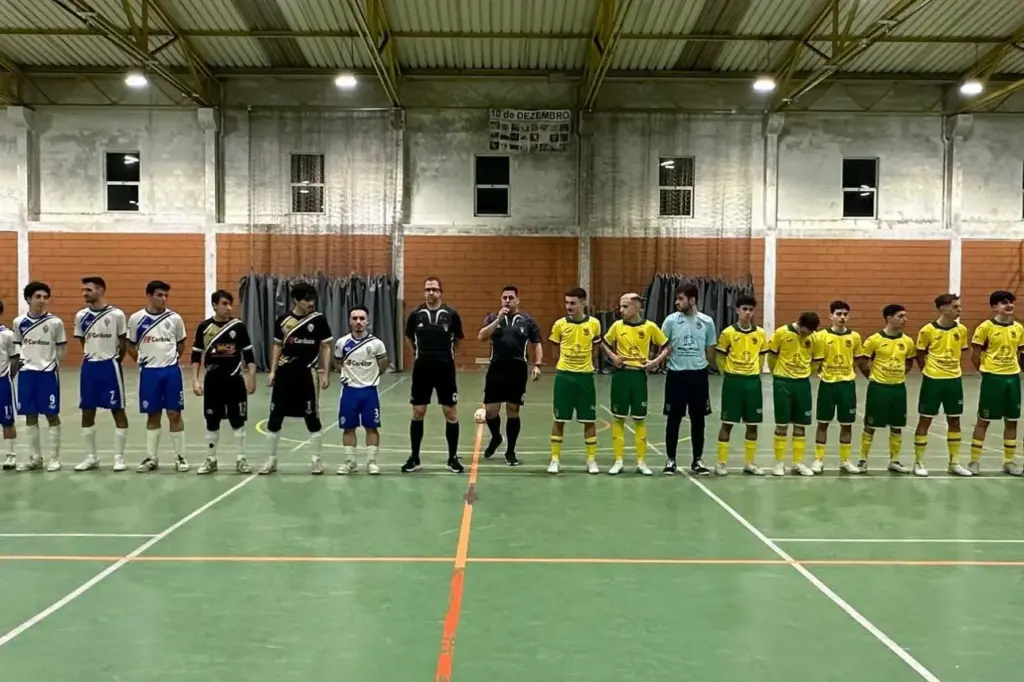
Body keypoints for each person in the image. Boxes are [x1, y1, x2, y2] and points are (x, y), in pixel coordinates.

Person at [259, 282, 333, 475]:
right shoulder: (283, 320)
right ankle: (271, 460)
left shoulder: (318, 320)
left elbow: (326, 346)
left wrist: (325, 372)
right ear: (296, 300)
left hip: (308, 375)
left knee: (312, 418)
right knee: (275, 417)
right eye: (307, 299)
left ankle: (316, 460)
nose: (311, 303)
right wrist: (273, 371)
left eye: (313, 299)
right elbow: (277, 346)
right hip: (284, 374)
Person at [601, 293, 669, 476]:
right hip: (621, 377)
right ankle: (618, 460)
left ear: (637, 307)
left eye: (625, 306)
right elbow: (603, 344)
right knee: (618, 418)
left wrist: (655, 362)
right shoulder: (617, 326)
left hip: (639, 377)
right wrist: (613, 357)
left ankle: (641, 461)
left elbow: (666, 346)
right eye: (620, 306)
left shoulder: (649, 327)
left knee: (639, 419)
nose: (621, 310)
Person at [403, 277, 465, 474]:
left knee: (450, 412)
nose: (431, 293)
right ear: (424, 292)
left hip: (445, 368)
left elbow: (458, 339)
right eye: (428, 289)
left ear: (441, 292)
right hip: (422, 368)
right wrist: (417, 353)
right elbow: (408, 337)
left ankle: (452, 458)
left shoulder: (451, 314)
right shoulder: (415, 315)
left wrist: (448, 355)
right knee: (418, 411)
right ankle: (414, 457)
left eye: (435, 289)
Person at [191, 289, 256, 475]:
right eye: (224, 304)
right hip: (212, 381)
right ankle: (211, 459)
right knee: (212, 421)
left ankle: (241, 459)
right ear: (214, 305)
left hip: (235, 380)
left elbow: (249, 355)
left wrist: (251, 378)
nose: (228, 308)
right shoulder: (204, 327)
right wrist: (195, 380)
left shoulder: (238, 327)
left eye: (230, 304)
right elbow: (196, 355)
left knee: (238, 421)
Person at [477, 285, 542, 467]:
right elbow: (481, 336)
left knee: (513, 410)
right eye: (504, 297)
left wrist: (537, 365)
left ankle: (511, 451)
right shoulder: (493, 318)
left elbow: (536, 344)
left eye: (511, 298)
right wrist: (498, 319)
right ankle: (496, 437)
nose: (507, 301)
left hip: (517, 370)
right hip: (496, 369)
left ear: (517, 300)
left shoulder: (527, 321)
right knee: (491, 410)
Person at [128, 280, 189, 473]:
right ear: (149, 295)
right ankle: (151, 458)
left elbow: (181, 343)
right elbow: (130, 345)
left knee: (174, 413)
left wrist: (170, 359)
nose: (164, 299)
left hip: (171, 372)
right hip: (149, 373)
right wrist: (142, 360)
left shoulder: (175, 319)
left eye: (166, 296)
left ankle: (180, 457)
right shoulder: (136, 319)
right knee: (152, 414)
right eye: (159, 295)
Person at [73, 276, 130, 472]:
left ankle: (119, 458)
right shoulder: (81, 316)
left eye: (88, 290)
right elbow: (83, 341)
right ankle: (91, 457)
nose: (84, 293)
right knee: (87, 410)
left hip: (110, 366)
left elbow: (123, 342)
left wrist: (113, 359)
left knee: (117, 410)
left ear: (100, 290)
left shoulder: (117, 315)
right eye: (83, 290)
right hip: (89, 367)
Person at [660, 283, 716, 475]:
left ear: (692, 300)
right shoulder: (670, 321)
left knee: (698, 419)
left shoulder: (707, 321)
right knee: (673, 419)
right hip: (676, 376)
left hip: (698, 376)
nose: (677, 302)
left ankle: (697, 460)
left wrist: (704, 365)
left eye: (681, 299)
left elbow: (710, 349)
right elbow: (663, 346)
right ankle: (670, 460)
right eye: (676, 298)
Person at [857, 305, 920, 475]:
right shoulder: (874, 340)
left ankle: (894, 460)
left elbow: (909, 362)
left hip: (898, 388)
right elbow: (863, 362)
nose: (905, 319)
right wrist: (873, 377)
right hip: (878, 388)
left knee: (897, 425)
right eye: (900, 316)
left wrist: (899, 373)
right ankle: (863, 459)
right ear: (889, 318)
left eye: (905, 316)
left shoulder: (907, 341)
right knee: (870, 424)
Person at [913, 294, 971, 477]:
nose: (959, 310)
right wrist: (928, 371)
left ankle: (954, 462)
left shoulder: (961, 330)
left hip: (954, 380)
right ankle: (919, 462)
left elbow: (961, 351)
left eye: (959, 307)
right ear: (943, 309)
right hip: (932, 381)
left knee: (954, 420)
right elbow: (920, 355)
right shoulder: (927, 331)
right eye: (955, 307)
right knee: (925, 420)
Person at [968, 290, 1024, 476]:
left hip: (1013, 378)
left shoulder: (1019, 328)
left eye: (1011, 302)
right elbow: (975, 355)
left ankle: (1009, 462)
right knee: (983, 420)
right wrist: (986, 372)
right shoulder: (985, 327)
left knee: (1012, 421)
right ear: (994, 307)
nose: (1009, 305)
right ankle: (974, 461)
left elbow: (1020, 354)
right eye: (1003, 303)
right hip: (992, 378)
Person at [12, 281, 66, 472]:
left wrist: (51, 364)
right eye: (38, 297)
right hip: (27, 375)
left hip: (47, 375)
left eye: (45, 297)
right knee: (30, 416)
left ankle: (54, 458)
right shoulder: (19, 322)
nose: (42, 301)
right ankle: (35, 458)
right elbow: (18, 346)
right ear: (28, 299)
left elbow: (61, 349)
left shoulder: (55, 323)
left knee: (52, 414)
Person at [547, 287, 602, 475]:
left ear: (583, 303)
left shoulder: (594, 324)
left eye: (573, 303)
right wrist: (564, 364)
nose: (568, 306)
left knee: (589, 419)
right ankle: (555, 459)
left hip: (585, 377)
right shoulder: (559, 325)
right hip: (564, 376)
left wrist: (588, 363)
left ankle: (591, 460)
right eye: (567, 303)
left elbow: (596, 347)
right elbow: (554, 349)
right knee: (559, 419)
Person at [714, 295, 767, 475]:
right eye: (744, 309)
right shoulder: (728, 333)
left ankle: (750, 463)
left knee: (752, 424)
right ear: (737, 310)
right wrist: (726, 373)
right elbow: (720, 356)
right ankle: (721, 462)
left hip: (752, 382)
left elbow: (761, 355)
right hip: (733, 381)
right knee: (727, 423)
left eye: (751, 310)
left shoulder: (759, 333)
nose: (748, 313)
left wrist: (756, 370)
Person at [335, 306, 389, 475]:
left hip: (369, 392)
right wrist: (345, 374)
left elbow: (383, 364)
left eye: (362, 318)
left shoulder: (376, 344)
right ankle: (350, 462)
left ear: (367, 321)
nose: (358, 322)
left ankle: (371, 462)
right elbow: (337, 362)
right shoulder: (341, 343)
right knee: (348, 427)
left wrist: (371, 378)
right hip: (349, 391)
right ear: (350, 321)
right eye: (355, 318)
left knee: (371, 427)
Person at [811, 301, 863, 474]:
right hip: (827, 385)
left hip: (847, 385)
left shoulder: (854, 337)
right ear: (831, 316)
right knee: (823, 423)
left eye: (845, 314)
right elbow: (817, 360)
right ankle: (818, 459)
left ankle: (845, 460)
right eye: (839, 314)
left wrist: (848, 373)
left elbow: (856, 359)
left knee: (846, 424)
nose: (842, 317)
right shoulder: (821, 336)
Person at [766, 312, 820, 476]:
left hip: (802, 384)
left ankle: (797, 463)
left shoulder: (815, 338)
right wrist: (778, 375)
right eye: (803, 332)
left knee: (800, 425)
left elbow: (816, 360)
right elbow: (772, 356)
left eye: (809, 333)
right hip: (783, 382)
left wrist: (805, 374)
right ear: (798, 323)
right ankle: (779, 462)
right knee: (782, 424)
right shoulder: (782, 333)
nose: (806, 335)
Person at [0, 300, 19, 471]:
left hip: (2, 381)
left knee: (7, 420)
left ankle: (11, 455)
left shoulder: (7, 335)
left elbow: (15, 358)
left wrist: (9, 376)